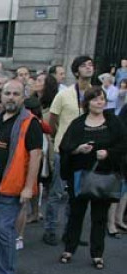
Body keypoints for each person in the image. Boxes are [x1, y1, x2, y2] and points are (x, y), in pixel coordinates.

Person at [0, 80, 43, 274]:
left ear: (23, 98)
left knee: (5, 231)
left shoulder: (29, 122)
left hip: (11, 186)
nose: (11, 97)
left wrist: (28, 187)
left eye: (16, 93)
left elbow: (35, 156)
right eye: (7, 93)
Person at [58, 87, 126, 269]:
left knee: (99, 217)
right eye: (95, 99)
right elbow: (65, 146)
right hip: (80, 176)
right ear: (87, 103)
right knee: (76, 214)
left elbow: (123, 145)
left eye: (102, 99)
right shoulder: (78, 123)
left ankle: (97, 254)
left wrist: (108, 153)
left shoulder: (113, 122)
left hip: (104, 176)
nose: (99, 102)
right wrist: (78, 149)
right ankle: (69, 249)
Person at [45, 56, 95, 246]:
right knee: (57, 192)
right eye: (84, 65)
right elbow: (52, 120)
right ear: (76, 72)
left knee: (78, 194)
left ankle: (70, 232)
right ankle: (50, 229)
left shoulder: (95, 93)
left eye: (91, 65)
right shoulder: (64, 94)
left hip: (86, 151)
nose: (89, 68)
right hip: (64, 151)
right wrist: (61, 139)